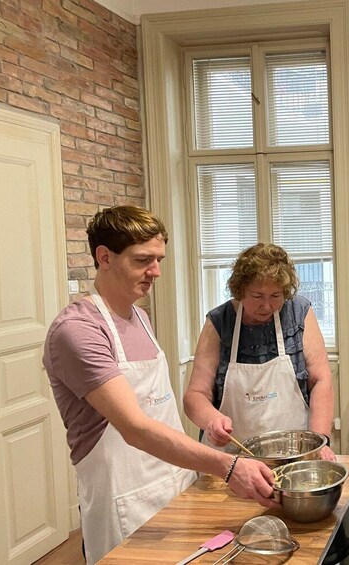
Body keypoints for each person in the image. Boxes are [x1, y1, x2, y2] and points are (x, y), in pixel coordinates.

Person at [43, 206, 278, 564]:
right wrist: (228, 467)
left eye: (158, 259)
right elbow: (135, 428)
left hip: (174, 486)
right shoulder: (78, 331)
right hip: (123, 498)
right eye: (143, 260)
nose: (156, 271)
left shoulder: (140, 316)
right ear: (104, 257)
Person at [184, 243, 335, 461]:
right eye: (257, 296)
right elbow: (195, 395)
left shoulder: (299, 312)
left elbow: (320, 379)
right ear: (240, 291)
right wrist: (211, 421)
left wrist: (320, 440)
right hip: (231, 458)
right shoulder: (219, 321)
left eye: (275, 295)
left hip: (293, 454)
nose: (267, 305)